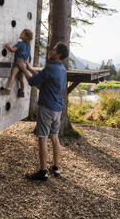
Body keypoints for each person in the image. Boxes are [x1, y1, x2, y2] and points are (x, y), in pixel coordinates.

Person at [17, 42, 69, 181]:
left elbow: (33, 82)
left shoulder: (51, 68)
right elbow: (43, 82)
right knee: (54, 137)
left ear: (58, 54)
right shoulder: (62, 69)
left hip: (47, 108)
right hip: (58, 109)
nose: (51, 51)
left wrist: (23, 68)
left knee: (42, 138)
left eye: (54, 50)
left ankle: (42, 172)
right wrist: (29, 68)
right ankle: (55, 168)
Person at [0, 29, 33, 97]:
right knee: (21, 79)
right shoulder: (29, 46)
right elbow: (30, 56)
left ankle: (8, 90)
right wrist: (26, 63)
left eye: (22, 33)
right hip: (24, 64)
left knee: (13, 75)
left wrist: (7, 46)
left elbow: (12, 50)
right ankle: (22, 92)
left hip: (18, 63)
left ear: (26, 37)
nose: (20, 34)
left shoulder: (20, 44)